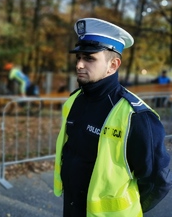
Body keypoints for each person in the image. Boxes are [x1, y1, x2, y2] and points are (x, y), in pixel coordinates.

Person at [53, 18, 172, 217]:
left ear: (113, 65)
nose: (79, 64)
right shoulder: (74, 101)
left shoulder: (136, 117)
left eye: (89, 58)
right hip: (72, 208)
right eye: (79, 57)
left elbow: (158, 180)